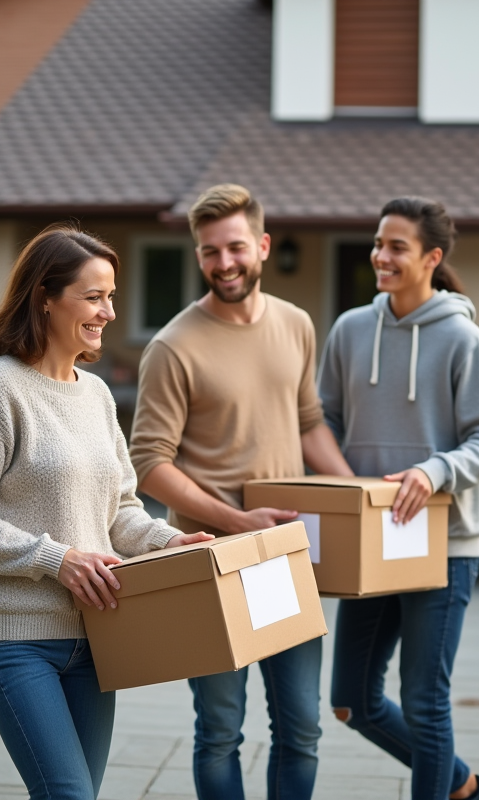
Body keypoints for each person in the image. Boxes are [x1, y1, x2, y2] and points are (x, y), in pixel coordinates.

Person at [0, 224, 213, 800]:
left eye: (111, 296)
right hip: (15, 641)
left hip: (97, 637)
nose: (109, 312)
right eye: (93, 297)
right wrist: (56, 559)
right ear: (45, 296)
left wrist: (168, 542)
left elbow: (121, 510)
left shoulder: (98, 395)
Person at [130, 184, 353, 800]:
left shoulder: (296, 324)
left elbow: (308, 422)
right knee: (220, 732)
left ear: (263, 245)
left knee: (302, 729)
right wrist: (236, 521)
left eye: (234, 248)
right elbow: (148, 465)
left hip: (285, 554)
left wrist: (356, 496)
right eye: (210, 252)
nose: (223, 263)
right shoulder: (173, 346)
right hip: (211, 562)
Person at [318, 197, 479, 800]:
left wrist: (434, 471)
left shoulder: (463, 339)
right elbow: (324, 421)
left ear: (432, 258)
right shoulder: (351, 330)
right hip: (372, 542)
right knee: (352, 700)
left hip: (444, 545)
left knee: (426, 701)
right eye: (378, 243)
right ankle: (465, 786)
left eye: (396, 247)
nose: (381, 255)